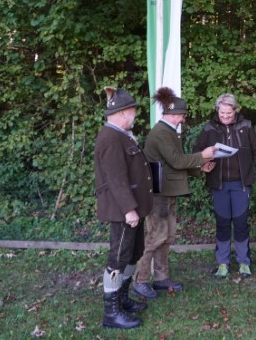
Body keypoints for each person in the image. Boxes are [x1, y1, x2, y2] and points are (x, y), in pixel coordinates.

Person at [132, 87, 217, 299]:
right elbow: (177, 161)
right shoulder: (161, 133)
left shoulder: (168, 132)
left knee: (167, 236)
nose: (183, 119)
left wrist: (200, 168)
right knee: (155, 237)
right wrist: (203, 155)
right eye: (182, 115)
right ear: (172, 114)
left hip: (167, 191)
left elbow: (173, 163)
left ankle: (161, 278)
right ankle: (140, 280)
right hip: (158, 194)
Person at [94, 87, 154, 329]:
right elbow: (116, 178)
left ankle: (122, 299)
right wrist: (129, 209)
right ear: (123, 112)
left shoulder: (121, 135)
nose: (135, 115)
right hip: (123, 211)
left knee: (133, 253)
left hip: (133, 208)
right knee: (118, 259)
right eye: (133, 111)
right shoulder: (110, 138)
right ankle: (111, 313)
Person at [193, 93, 256, 279]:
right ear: (217, 110)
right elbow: (196, 151)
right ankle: (223, 263)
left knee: (241, 223)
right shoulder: (209, 128)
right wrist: (202, 165)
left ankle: (244, 262)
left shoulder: (246, 126)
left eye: (229, 113)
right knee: (223, 224)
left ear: (235, 110)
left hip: (241, 184)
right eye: (222, 113)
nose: (225, 116)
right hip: (219, 185)